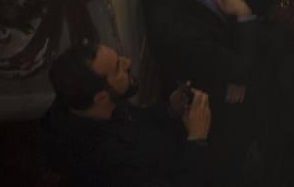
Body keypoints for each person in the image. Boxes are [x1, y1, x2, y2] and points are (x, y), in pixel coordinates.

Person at [143, 0, 260, 181]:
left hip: (222, 70)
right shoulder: (178, 31)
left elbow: (236, 69)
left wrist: (235, 71)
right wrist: (244, 17)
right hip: (220, 113)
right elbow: (242, 70)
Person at [39, 39, 213, 187]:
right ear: (101, 97)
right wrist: (197, 139)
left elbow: (136, 117)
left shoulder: (85, 102)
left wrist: (170, 109)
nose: (127, 62)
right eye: (117, 68)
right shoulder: (109, 161)